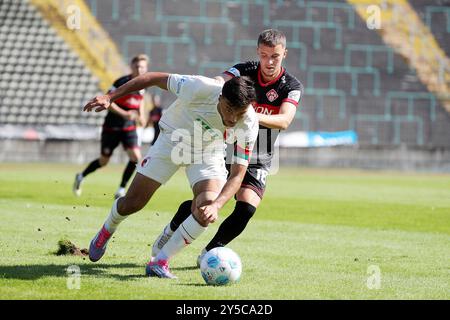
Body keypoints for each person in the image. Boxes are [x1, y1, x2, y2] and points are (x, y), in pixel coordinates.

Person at [83, 71, 259, 279]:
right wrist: (111, 96)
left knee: (205, 208)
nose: (232, 119)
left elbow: (237, 175)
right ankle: (106, 231)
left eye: (239, 113)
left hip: (208, 152)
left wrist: (217, 205)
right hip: (172, 141)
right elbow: (153, 78)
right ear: (220, 97)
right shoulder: (200, 87)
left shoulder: (249, 123)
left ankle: (160, 262)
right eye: (229, 109)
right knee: (133, 202)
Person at [150, 29, 304, 265]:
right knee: (207, 200)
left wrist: (249, 115)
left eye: (275, 56)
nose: (269, 61)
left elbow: (284, 121)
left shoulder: (291, 85)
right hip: (227, 142)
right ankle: (171, 229)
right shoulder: (244, 69)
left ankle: (210, 252)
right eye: (264, 55)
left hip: (260, 149)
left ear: (285, 54)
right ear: (258, 52)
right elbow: (219, 82)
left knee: (247, 208)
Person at [73, 54, 149, 199]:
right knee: (104, 161)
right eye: (137, 66)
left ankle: (121, 189)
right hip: (112, 126)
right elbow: (107, 102)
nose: (140, 70)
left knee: (136, 157)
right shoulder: (121, 82)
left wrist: (142, 115)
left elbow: (141, 99)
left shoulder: (144, 84)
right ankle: (81, 175)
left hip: (129, 127)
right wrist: (125, 114)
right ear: (131, 67)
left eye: (143, 67)